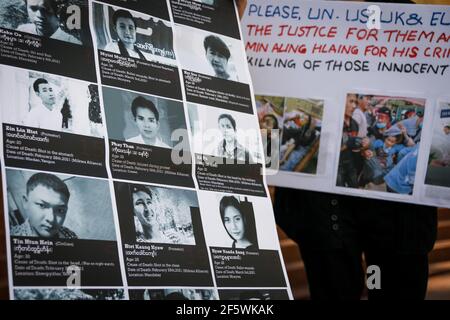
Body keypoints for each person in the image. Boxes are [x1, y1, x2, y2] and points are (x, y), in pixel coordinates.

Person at [273, 0, 438, 300]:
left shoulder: (419, 22)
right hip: (324, 208)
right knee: (336, 291)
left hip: (397, 214)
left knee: (392, 289)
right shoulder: (301, 16)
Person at [11, 173, 77, 239]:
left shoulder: (71, 236)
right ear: (25, 202)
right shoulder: (10, 237)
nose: (51, 219)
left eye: (60, 210)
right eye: (42, 205)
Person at [17, 0, 81, 44]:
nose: (40, 15)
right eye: (34, 8)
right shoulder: (21, 30)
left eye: (45, 9)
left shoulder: (72, 42)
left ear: (57, 11)